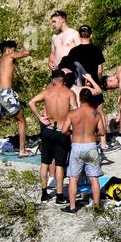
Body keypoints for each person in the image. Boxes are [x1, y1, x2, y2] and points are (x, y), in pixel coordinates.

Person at [28, 70, 74, 205]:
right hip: (61, 131)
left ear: (53, 80)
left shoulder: (47, 92)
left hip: (48, 129)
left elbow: (31, 102)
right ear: (64, 80)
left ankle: (44, 193)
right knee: (60, 164)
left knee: (44, 163)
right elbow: (75, 109)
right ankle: (59, 196)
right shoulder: (69, 93)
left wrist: (40, 117)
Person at [0, 39, 32, 156]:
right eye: (14, 49)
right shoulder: (10, 56)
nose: (15, 52)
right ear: (9, 49)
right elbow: (27, 53)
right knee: (21, 121)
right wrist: (32, 39)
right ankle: (22, 150)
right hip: (6, 93)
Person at [63, 90, 106, 212]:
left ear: (79, 99)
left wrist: (73, 132)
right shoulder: (96, 114)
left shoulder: (72, 113)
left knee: (73, 178)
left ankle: (72, 207)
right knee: (94, 178)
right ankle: (97, 207)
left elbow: (64, 130)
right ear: (91, 99)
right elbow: (102, 132)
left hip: (77, 146)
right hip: (91, 146)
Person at [60, 24, 105, 99]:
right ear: (91, 36)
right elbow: (99, 71)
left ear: (79, 36)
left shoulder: (73, 51)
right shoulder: (96, 49)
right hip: (93, 84)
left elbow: (71, 69)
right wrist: (97, 82)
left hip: (80, 87)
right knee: (98, 109)